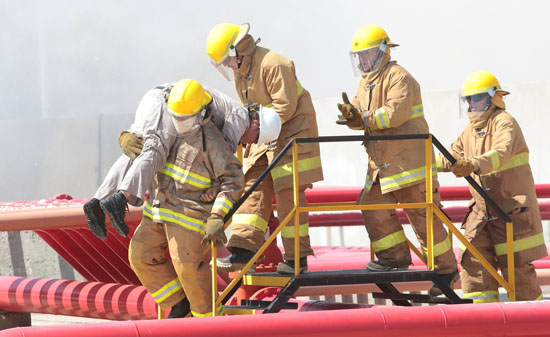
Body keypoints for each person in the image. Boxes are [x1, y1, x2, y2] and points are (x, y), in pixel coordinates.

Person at [335, 24, 457, 295]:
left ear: (382, 51)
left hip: (408, 164)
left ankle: (445, 273)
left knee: (423, 219)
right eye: (359, 56)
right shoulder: (365, 82)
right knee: (371, 206)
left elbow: (393, 114)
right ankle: (394, 258)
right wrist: (352, 116)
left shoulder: (399, 77)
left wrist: (361, 118)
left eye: (367, 54)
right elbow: (362, 115)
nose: (363, 60)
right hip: (381, 165)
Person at [206, 23, 324, 274]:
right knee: (251, 184)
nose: (227, 65)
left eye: (227, 59)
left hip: (293, 133)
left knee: (287, 192)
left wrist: (256, 130)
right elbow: (249, 109)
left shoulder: (274, 63)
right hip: (266, 134)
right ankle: (243, 251)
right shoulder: (242, 71)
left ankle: (296, 260)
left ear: (238, 50)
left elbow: (285, 107)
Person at [128, 79, 245, 317]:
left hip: (189, 216)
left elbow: (232, 180)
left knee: (188, 268)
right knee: (140, 255)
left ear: (202, 115)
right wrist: (129, 137)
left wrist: (217, 216)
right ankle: (179, 303)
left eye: (186, 119)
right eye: (176, 117)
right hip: (158, 211)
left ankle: (209, 323)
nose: (179, 124)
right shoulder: (166, 126)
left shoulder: (211, 141)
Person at [83, 79, 254, 240]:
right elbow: (226, 148)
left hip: (156, 97)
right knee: (155, 151)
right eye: (254, 139)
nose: (247, 144)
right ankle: (120, 198)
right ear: (256, 124)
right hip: (165, 104)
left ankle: (97, 202)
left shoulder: (224, 103)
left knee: (135, 150)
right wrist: (217, 185)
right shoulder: (241, 116)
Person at [440, 71, 547, 302]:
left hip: (510, 211)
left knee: (517, 270)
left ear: (492, 97)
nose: (471, 103)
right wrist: (421, 163)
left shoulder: (504, 123)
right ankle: (482, 322)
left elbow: (500, 153)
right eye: (468, 99)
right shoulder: (470, 131)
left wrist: (474, 163)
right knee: (474, 265)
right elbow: (451, 156)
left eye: (476, 98)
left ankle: (530, 325)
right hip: (482, 212)